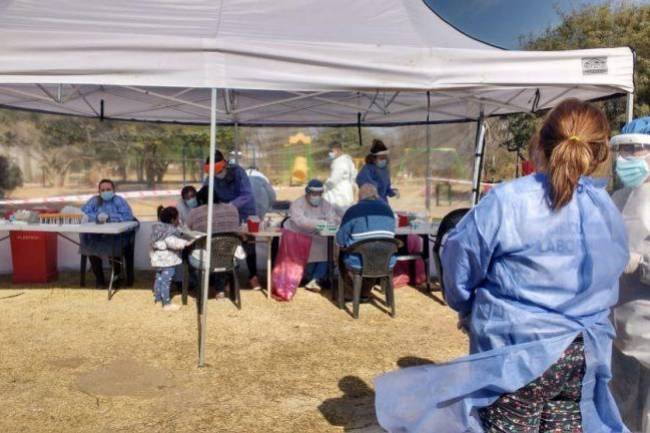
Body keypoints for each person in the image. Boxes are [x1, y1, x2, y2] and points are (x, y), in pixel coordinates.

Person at [375, 99, 630, 433]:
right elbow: (611, 271)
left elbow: (459, 262)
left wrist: (466, 307)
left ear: (540, 143)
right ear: (600, 153)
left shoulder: (508, 200)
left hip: (515, 357)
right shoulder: (604, 206)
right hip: (580, 355)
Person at [609, 119, 650, 433]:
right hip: (618, 334)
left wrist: (641, 264)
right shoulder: (618, 199)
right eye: (621, 150)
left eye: (634, 149)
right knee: (620, 416)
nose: (626, 158)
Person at [203, 150, 259, 288]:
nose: (216, 175)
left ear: (225, 166)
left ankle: (253, 276)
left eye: (218, 171)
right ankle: (226, 278)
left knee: (249, 244)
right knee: (225, 244)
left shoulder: (238, 172)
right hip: (224, 215)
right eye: (213, 172)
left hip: (245, 212)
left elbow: (247, 195)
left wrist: (230, 206)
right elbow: (204, 193)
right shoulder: (210, 177)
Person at [336, 183, 396, 302]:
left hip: (360, 260)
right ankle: (364, 292)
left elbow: (340, 240)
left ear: (359, 196)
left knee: (341, 254)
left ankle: (351, 292)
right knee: (373, 253)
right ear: (376, 195)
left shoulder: (353, 210)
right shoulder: (388, 210)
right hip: (386, 259)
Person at [186, 186, 242, 297]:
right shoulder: (232, 209)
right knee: (221, 251)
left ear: (200, 200)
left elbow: (188, 231)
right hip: (230, 259)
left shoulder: (195, 213)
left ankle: (200, 286)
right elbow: (237, 227)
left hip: (204, 259)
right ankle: (220, 289)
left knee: (188, 253)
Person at [80, 179, 135, 289]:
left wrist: (110, 217)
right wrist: (97, 217)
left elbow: (128, 216)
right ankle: (99, 280)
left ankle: (117, 277)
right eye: (103, 190)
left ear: (113, 190)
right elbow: (83, 213)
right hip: (98, 236)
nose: (105, 192)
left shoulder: (119, 201)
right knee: (90, 247)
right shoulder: (94, 201)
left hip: (117, 236)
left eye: (108, 189)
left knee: (114, 246)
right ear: (99, 191)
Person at [285, 179, 338, 292]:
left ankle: (316, 279)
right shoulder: (298, 204)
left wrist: (326, 224)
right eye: (314, 194)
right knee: (312, 247)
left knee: (329, 247)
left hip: (320, 237)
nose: (316, 197)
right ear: (307, 193)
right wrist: (318, 223)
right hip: (299, 235)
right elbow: (299, 221)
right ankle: (308, 277)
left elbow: (332, 219)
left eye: (319, 194)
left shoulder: (326, 205)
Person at [150, 206, 190, 312]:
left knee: (158, 279)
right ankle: (166, 304)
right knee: (166, 282)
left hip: (157, 260)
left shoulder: (158, 228)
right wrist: (186, 243)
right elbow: (174, 243)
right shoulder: (169, 232)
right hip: (167, 261)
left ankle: (158, 299)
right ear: (173, 220)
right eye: (178, 218)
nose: (179, 220)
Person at [355, 139, 398, 204]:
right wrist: (376, 191)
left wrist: (392, 192)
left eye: (385, 158)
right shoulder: (368, 168)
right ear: (374, 158)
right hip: (370, 202)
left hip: (383, 202)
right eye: (381, 158)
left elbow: (386, 188)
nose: (384, 160)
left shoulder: (385, 170)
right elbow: (366, 185)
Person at [324, 141, 357, 216]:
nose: (330, 153)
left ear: (337, 150)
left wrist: (324, 187)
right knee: (346, 211)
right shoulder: (347, 160)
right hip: (346, 189)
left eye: (331, 151)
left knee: (337, 213)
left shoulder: (340, 162)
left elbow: (334, 180)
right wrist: (352, 184)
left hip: (338, 191)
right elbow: (354, 174)